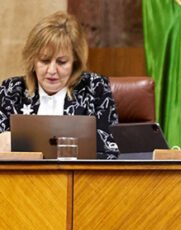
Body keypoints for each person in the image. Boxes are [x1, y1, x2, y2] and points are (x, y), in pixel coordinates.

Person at [0, 11, 119, 159]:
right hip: (24, 180)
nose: (52, 71)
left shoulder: (96, 88)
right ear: (32, 59)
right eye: (44, 60)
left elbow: (111, 152)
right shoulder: (11, 91)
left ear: (75, 61)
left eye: (62, 62)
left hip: (81, 180)